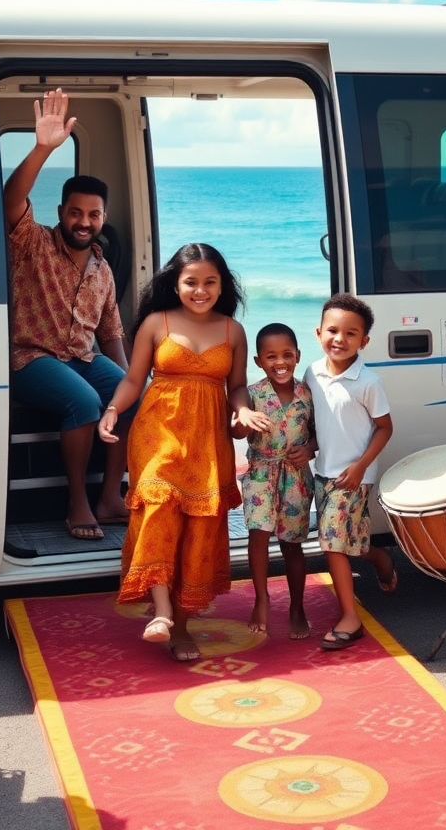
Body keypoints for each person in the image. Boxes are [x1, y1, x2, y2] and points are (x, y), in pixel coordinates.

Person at [98, 243, 266, 661]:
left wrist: (243, 410)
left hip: (208, 439)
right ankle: (162, 610)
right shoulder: (157, 322)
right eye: (191, 281)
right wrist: (114, 408)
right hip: (158, 430)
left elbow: (238, 386)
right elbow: (134, 379)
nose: (200, 290)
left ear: (221, 285)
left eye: (210, 282)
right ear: (175, 283)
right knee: (157, 505)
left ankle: (183, 627)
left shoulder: (233, 330)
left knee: (198, 530)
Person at [4, 88, 134, 541]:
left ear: (104, 217)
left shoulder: (101, 267)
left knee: (131, 393)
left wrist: (130, 382)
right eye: (75, 212)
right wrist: (43, 148)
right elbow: (10, 200)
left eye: (93, 214)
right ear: (60, 212)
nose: (84, 221)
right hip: (30, 358)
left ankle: (111, 498)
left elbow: (111, 332)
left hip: (80, 357)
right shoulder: (34, 243)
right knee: (83, 402)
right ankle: (78, 502)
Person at [304, 292, 398, 651]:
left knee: (332, 543)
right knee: (350, 545)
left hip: (354, 478)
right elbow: (321, 423)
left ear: (365, 341)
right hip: (323, 472)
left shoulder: (368, 382)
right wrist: (309, 447)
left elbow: (385, 428)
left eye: (350, 334)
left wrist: (360, 467)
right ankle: (381, 559)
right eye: (332, 331)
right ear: (318, 333)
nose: (339, 339)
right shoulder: (311, 373)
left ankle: (350, 618)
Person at [232, 323, 316, 639]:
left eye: (286, 355)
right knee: (258, 536)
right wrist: (243, 423)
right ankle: (262, 598)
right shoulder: (251, 395)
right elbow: (236, 431)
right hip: (259, 476)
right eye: (271, 357)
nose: (279, 362)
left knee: (292, 545)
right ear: (258, 361)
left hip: (295, 479)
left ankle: (297, 606)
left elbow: (318, 434)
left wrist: (309, 449)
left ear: (297, 356)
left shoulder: (307, 395)